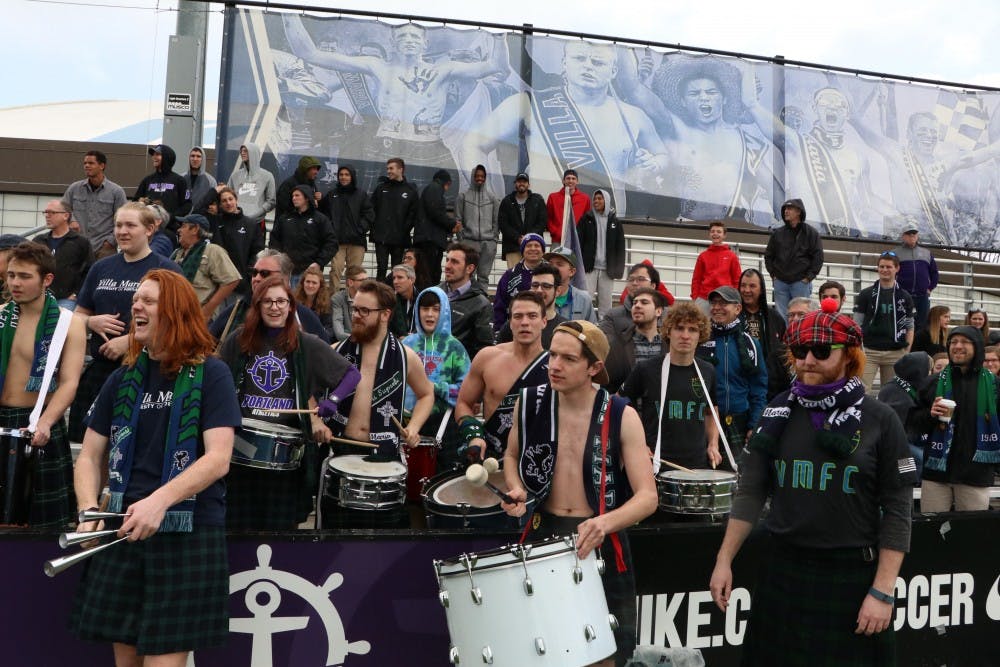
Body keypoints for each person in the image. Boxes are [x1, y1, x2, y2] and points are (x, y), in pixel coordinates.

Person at [710, 301, 915, 665]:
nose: (807, 360)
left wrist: (882, 591)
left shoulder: (880, 419)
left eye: (821, 351)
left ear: (849, 356)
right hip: (783, 568)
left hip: (851, 573)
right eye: (800, 350)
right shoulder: (777, 411)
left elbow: (898, 510)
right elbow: (751, 491)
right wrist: (724, 559)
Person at [70, 270, 242, 665]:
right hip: (123, 529)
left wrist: (158, 502)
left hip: (186, 532)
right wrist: (87, 512)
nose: (136, 307)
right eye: (136, 300)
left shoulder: (212, 374)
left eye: (148, 301)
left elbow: (218, 458)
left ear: (176, 311)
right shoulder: (122, 378)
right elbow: (90, 456)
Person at [502, 320, 658, 667]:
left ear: (594, 367)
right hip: (543, 535)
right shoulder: (529, 403)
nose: (554, 366)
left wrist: (605, 523)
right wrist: (516, 487)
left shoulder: (622, 414)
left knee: (604, 656)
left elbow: (648, 497)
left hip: (600, 538)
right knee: (543, 652)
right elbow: (511, 455)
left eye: (568, 359)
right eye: (552, 355)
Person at [283, 15, 503, 189]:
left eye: (415, 36)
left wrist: (500, 36)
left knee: (436, 207)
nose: (409, 40)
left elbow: (495, 66)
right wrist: (289, 14)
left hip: (430, 147)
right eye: (403, 36)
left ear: (425, 43)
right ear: (392, 42)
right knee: (382, 206)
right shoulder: (378, 66)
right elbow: (309, 53)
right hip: (386, 144)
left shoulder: (444, 70)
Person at [218, 276, 359, 530]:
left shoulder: (306, 344)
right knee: (237, 530)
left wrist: (332, 401)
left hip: (285, 455)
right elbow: (217, 376)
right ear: (258, 306)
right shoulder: (240, 339)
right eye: (268, 302)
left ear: (290, 306)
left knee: (280, 533)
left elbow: (352, 375)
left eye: (281, 301)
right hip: (241, 451)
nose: (275, 307)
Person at [68, 203, 183, 442]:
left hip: (146, 368)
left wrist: (130, 342)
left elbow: (178, 321)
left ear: (149, 229)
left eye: (131, 225)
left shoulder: (167, 269)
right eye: (118, 225)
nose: (122, 231)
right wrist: (91, 322)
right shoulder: (101, 267)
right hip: (100, 369)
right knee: (84, 440)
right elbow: (78, 315)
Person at [0, 242, 86, 526]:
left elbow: (70, 382)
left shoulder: (69, 324)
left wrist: (45, 422)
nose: (15, 283)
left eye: (25, 276)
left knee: (45, 525)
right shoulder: (0, 316)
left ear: (46, 279)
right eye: (11, 275)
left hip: (39, 422)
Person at [328, 280, 434, 457]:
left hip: (383, 453)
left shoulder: (405, 357)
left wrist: (413, 427)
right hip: (338, 446)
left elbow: (427, 394)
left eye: (364, 311)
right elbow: (307, 388)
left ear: (385, 314)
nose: (356, 315)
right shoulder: (336, 351)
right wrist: (316, 422)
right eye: (355, 309)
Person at [622, 301, 721, 470]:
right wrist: (637, 444)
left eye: (692, 330)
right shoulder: (646, 369)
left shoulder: (708, 370)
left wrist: (713, 444)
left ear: (701, 335)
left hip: (697, 465)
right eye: (679, 328)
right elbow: (619, 406)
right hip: (655, 463)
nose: (685, 335)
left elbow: (711, 412)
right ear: (668, 331)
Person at [456, 291, 550, 460]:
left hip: (537, 461)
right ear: (510, 322)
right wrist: (474, 435)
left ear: (544, 321)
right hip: (493, 459)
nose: (525, 322)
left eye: (532, 316)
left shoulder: (555, 367)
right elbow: (463, 403)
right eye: (518, 316)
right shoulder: (487, 358)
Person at [917, 325, 1000, 512]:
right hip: (936, 473)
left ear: (977, 346)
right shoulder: (932, 383)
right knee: (933, 527)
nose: (957, 346)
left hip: (975, 474)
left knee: (971, 529)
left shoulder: (995, 385)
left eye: (964, 341)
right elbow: (912, 425)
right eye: (953, 342)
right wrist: (930, 415)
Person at [401, 287, 471, 469]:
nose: (430, 314)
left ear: (445, 311)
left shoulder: (455, 347)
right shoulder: (406, 344)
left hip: (443, 424)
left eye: (436, 309)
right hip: (406, 423)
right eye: (425, 308)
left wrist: (437, 388)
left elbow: (468, 393)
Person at [697, 286, 768, 462]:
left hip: (740, 422)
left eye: (723, 303)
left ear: (738, 308)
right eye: (714, 303)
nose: (717, 307)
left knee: (738, 475)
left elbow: (759, 389)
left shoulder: (752, 344)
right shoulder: (699, 339)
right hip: (704, 420)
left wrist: (754, 424)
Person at [209, 250, 330, 344]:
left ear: (284, 278)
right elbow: (208, 348)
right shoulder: (234, 312)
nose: (257, 278)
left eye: (265, 273)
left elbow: (325, 357)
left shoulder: (303, 316)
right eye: (254, 272)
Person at [853, 251, 915, 392]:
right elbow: (856, 324)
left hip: (895, 352)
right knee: (861, 391)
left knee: (890, 394)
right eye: (881, 267)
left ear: (897, 268)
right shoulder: (866, 294)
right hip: (869, 351)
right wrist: (859, 349)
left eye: (888, 267)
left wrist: (906, 351)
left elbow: (910, 326)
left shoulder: (905, 296)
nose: (884, 270)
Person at [171, 214, 242, 322]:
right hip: (174, 316)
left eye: (183, 226)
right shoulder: (177, 253)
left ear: (195, 229)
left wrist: (207, 311)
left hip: (197, 318)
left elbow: (232, 280)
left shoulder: (212, 251)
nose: (179, 230)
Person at [198, 185, 265, 300]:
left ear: (236, 200)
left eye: (230, 199)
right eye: (224, 201)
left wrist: (247, 276)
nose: (228, 203)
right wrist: (214, 191)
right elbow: (198, 211)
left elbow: (257, 252)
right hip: (217, 284)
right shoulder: (214, 222)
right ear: (219, 204)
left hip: (240, 285)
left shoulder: (250, 224)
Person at [764, 198, 824, 321]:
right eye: (785, 209)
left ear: (799, 212)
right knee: (781, 317)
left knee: (803, 315)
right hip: (780, 282)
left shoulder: (811, 233)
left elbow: (818, 257)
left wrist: (808, 277)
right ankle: (785, 335)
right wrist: (773, 274)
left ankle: (800, 334)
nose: (786, 211)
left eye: (790, 208)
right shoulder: (777, 233)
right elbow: (768, 255)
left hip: (801, 282)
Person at [63, 149, 127, 259]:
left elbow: (123, 219)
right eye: (85, 163)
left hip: (104, 250)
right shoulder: (74, 188)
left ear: (102, 166)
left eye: (91, 163)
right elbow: (63, 208)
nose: (86, 166)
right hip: (77, 246)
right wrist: (72, 220)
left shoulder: (116, 192)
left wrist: (110, 241)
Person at [269, 184, 338, 287]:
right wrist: (278, 259)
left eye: (297, 195)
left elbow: (332, 243)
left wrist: (319, 263)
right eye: (292, 196)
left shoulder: (320, 219)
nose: (294, 198)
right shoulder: (284, 219)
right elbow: (274, 240)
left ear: (307, 198)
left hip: (310, 272)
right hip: (286, 271)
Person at [878, 351, 933, 480]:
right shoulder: (895, 393)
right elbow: (896, 432)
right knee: (922, 458)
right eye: (929, 370)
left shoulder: (906, 386)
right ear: (918, 371)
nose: (930, 374)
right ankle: (913, 483)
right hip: (893, 444)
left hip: (909, 440)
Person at [600, 287, 666, 392]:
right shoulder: (616, 345)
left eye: (644, 302)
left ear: (658, 311)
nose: (637, 306)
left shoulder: (670, 346)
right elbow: (608, 387)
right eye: (635, 303)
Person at [739, 268, 789, 399]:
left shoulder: (774, 317)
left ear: (761, 290)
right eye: (743, 285)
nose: (746, 290)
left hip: (769, 383)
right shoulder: (733, 316)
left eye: (752, 286)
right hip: (741, 380)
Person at [323, 165, 373, 294]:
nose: (343, 177)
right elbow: (324, 215)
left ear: (352, 177)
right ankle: (334, 299)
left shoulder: (361, 194)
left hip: (357, 242)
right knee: (335, 270)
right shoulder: (332, 194)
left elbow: (369, 215)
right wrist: (331, 230)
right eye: (341, 175)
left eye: (347, 174)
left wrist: (360, 229)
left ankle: (354, 300)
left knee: (355, 274)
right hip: (337, 242)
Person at [36, 199, 93, 310]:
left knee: (62, 322)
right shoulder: (39, 241)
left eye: (52, 212)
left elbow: (89, 270)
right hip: (39, 298)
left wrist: (76, 294)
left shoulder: (80, 242)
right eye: (45, 212)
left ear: (66, 216)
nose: (47, 215)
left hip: (66, 300)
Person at [370, 158, 420, 282]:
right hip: (381, 237)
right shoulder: (381, 188)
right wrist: (375, 227)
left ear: (400, 170)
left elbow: (413, 214)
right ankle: (379, 293)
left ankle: (395, 293)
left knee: (397, 270)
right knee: (381, 269)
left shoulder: (410, 191)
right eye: (387, 168)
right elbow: (371, 209)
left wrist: (404, 230)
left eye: (391, 168)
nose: (388, 171)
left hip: (399, 239)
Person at [495, 262, 567, 347]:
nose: (539, 290)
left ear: (558, 291)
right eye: (535, 285)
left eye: (546, 286)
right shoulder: (513, 325)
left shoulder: (564, 328)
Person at [442, 242, 493, 360]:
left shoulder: (481, 305)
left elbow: (484, 348)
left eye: (454, 262)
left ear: (469, 268)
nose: (447, 266)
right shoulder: (433, 293)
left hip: (461, 366)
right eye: (447, 260)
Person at [579, 189, 626, 318]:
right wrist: (579, 265)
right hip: (589, 268)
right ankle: (584, 324)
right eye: (595, 199)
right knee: (585, 299)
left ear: (607, 200)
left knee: (606, 303)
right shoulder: (586, 219)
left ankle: (605, 327)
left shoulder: (615, 222)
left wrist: (618, 270)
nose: (596, 201)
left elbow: (620, 247)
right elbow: (579, 243)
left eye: (600, 198)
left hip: (608, 270)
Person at [456, 164, 500, 289]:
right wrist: (462, 240)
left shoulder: (492, 198)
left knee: (483, 277)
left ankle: (482, 300)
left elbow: (496, 221)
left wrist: (494, 240)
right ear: (473, 177)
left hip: (488, 243)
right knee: (467, 275)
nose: (480, 178)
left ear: (485, 178)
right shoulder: (463, 196)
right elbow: (458, 219)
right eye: (477, 176)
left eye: (482, 176)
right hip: (469, 242)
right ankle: (468, 299)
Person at [603, 260, 674, 333]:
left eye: (641, 279)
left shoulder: (669, 317)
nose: (634, 283)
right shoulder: (613, 316)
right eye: (631, 279)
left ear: (653, 285)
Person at [493, 233, 546, 331]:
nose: (533, 249)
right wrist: (498, 330)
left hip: (546, 328)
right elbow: (499, 306)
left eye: (537, 245)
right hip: (516, 329)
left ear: (543, 251)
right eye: (529, 246)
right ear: (522, 251)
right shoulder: (509, 275)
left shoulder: (552, 273)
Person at [134, 144, 192, 234]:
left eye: (157, 154)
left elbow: (187, 205)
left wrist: (171, 217)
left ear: (167, 157)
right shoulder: (147, 180)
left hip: (170, 229)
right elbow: (135, 202)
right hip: (148, 229)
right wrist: (143, 203)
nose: (154, 157)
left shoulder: (179, 180)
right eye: (153, 155)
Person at [414, 169, 457, 286]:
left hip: (429, 238)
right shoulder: (435, 189)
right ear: (447, 182)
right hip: (430, 239)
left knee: (429, 273)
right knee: (430, 274)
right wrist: (451, 224)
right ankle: (429, 295)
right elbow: (435, 212)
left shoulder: (431, 189)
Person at [894, 223, 939, 331]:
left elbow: (934, 273)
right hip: (902, 295)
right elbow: (891, 273)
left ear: (917, 236)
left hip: (922, 296)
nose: (912, 236)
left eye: (914, 233)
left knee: (922, 325)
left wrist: (930, 288)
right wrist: (895, 290)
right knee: (901, 323)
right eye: (908, 233)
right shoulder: (895, 253)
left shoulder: (926, 253)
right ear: (903, 236)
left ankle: (918, 342)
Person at [497, 172, 547, 269]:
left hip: (533, 247)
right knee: (514, 275)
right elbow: (503, 224)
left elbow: (542, 222)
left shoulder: (538, 200)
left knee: (534, 275)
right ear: (515, 183)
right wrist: (517, 238)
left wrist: (529, 237)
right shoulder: (506, 201)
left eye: (524, 182)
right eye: (519, 181)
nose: (522, 184)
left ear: (528, 184)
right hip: (513, 247)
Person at [691, 221, 742, 312]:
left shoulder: (732, 256)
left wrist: (734, 297)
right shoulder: (703, 256)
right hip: (704, 298)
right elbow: (696, 279)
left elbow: (737, 279)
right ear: (709, 234)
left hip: (725, 298)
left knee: (724, 321)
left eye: (719, 232)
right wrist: (695, 297)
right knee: (701, 321)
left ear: (724, 235)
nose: (715, 234)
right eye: (713, 231)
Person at [227, 143, 276, 227]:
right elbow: (227, 195)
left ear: (254, 153)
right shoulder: (235, 175)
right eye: (241, 151)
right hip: (236, 220)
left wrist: (256, 213)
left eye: (246, 151)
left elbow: (271, 201)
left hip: (256, 222)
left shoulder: (267, 176)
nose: (242, 153)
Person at [544, 245, 597, 323]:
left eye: (559, 264)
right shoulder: (539, 296)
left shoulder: (584, 299)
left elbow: (592, 328)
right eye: (550, 264)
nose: (553, 268)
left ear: (572, 272)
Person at [546, 169, 591, 244]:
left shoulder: (585, 198)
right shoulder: (553, 197)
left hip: (577, 241)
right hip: (558, 240)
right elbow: (548, 218)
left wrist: (581, 234)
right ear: (563, 181)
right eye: (568, 178)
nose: (570, 181)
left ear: (577, 181)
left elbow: (587, 220)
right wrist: (556, 232)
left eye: (573, 178)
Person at [293, 264, 334, 339]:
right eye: (308, 281)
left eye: (314, 283)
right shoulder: (294, 300)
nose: (310, 285)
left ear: (320, 286)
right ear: (303, 283)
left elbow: (329, 330)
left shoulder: (327, 303)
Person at [331, 265, 367, 342]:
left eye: (366, 280)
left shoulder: (371, 298)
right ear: (350, 282)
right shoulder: (337, 299)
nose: (366, 283)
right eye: (362, 280)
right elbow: (339, 332)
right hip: (347, 342)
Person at [389, 263, 417, 337]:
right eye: (394, 278)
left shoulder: (422, 300)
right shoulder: (389, 302)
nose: (395, 282)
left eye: (400, 277)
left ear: (412, 280)